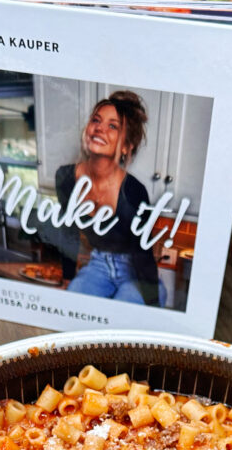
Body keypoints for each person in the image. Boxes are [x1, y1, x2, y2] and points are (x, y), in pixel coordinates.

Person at [55, 90, 164, 307]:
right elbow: (68, 232)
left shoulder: (133, 191)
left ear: (125, 146)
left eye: (113, 126)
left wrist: (152, 304)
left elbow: (143, 255)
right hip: (98, 265)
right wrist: (68, 278)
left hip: (135, 271)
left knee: (124, 319)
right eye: (96, 120)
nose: (100, 128)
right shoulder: (66, 178)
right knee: (72, 304)